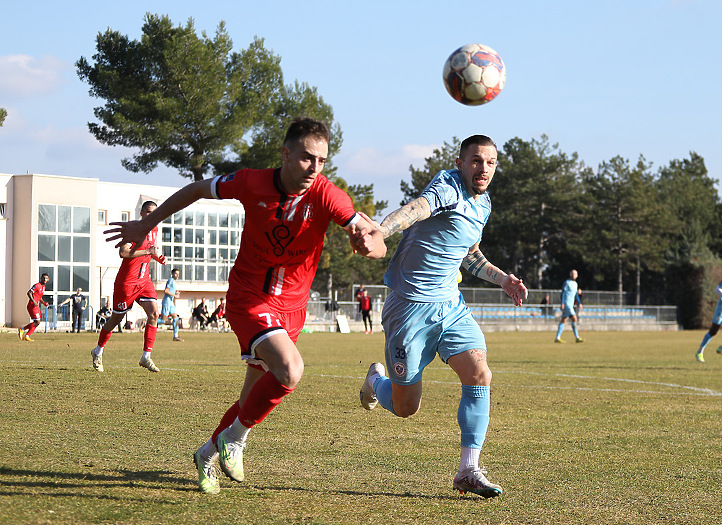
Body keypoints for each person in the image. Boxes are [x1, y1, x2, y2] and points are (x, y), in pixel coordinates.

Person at [103, 116, 386, 495]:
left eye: (322, 161)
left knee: (251, 397)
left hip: (293, 309)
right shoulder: (252, 181)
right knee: (290, 370)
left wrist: (372, 245)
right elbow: (196, 189)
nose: (314, 168)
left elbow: (373, 240)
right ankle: (234, 440)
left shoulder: (328, 195)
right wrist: (147, 224)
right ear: (285, 154)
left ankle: (207, 453)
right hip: (249, 297)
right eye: (306, 158)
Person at [355, 135, 528, 498]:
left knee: (479, 372)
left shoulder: (484, 205)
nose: (483, 169)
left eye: (491, 163)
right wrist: (381, 230)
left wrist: (503, 279)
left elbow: (470, 254)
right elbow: (417, 208)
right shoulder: (447, 185)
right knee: (406, 408)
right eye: (476, 161)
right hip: (409, 311)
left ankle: (468, 469)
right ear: (462, 162)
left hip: (450, 306)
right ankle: (375, 381)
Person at [90, 201, 166, 373]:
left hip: (144, 281)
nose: (151, 215)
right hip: (127, 283)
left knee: (154, 314)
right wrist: (148, 252)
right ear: (141, 212)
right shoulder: (133, 230)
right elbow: (123, 252)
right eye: (148, 212)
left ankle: (146, 357)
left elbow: (150, 249)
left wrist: (158, 257)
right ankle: (98, 351)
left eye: (154, 212)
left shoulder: (154, 230)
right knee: (116, 319)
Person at [555, 270, 584, 343]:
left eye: (575, 274)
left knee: (563, 320)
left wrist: (579, 303)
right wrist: (562, 303)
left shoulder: (575, 284)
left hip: (571, 304)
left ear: (577, 275)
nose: (573, 275)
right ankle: (577, 337)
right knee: (574, 318)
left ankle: (557, 337)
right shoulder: (567, 283)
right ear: (570, 274)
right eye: (572, 274)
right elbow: (563, 293)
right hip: (567, 304)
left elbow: (576, 295)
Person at [19, 273, 50, 341]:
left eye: (46, 278)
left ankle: (26, 335)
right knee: (37, 322)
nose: (45, 279)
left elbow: (39, 297)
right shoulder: (37, 285)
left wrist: (44, 303)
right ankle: (23, 330)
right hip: (32, 305)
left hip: (36, 306)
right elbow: (29, 293)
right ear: (41, 278)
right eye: (43, 278)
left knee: (37, 322)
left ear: (48, 279)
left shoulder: (44, 287)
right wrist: (33, 301)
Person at [159, 268, 183, 341]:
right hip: (167, 302)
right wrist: (174, 295)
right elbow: (166, 290)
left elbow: (171, 292)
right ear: (172, 274)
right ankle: (147, 322)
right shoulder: (171, 280)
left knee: (176, 318)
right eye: (176, 274)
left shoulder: (174, 282)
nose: (177, 275)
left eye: (178, 274)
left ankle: (175, 336)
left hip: (171, 302)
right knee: (163, 320)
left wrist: (175, 294)